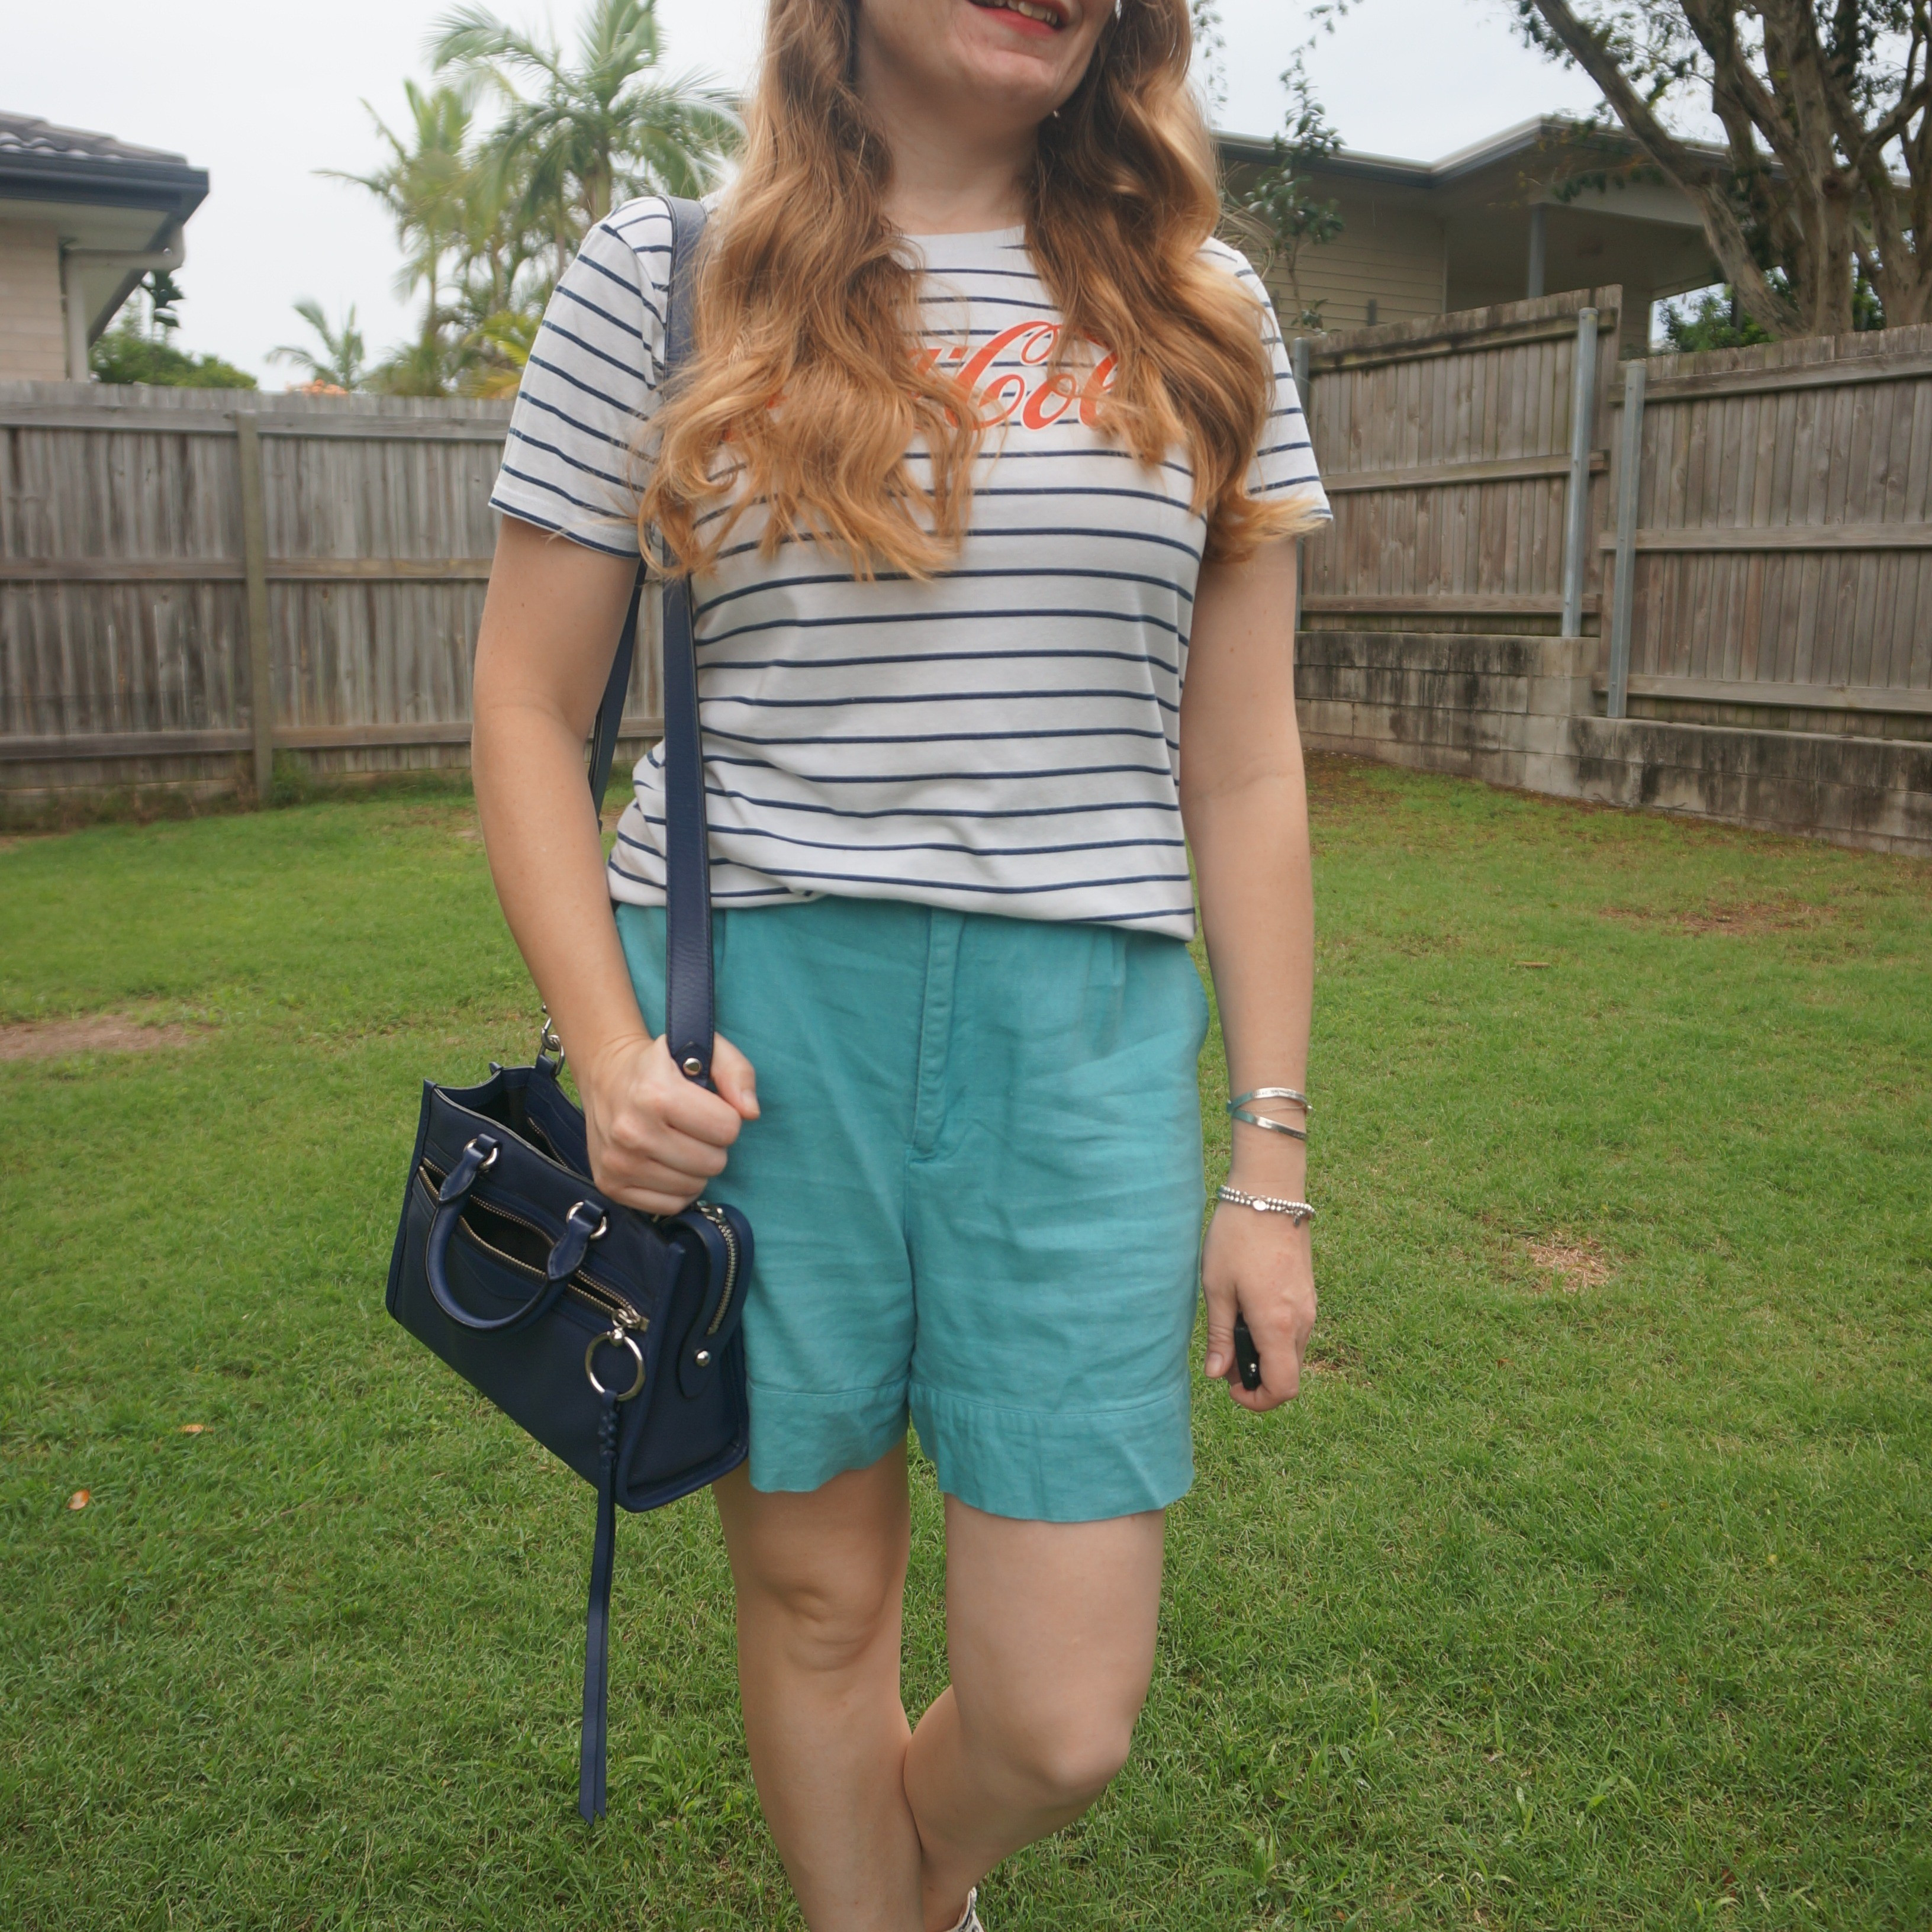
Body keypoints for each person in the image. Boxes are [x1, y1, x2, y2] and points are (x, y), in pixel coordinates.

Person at [469, 0, 1329, 1923]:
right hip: (760, 1034)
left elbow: (1250, 761)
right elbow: (528, 710)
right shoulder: (667, 278)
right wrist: (611, 1056)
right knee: (816, 1594)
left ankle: (916, 1881)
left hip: (1086, 1036)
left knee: (1060, 1715)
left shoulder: (1209, 308)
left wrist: (1266, 1153)